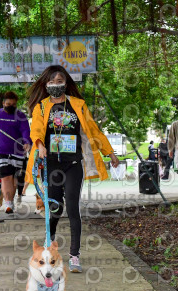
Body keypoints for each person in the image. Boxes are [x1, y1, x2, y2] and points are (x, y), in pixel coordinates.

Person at [25, 65, 119, 273]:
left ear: (66, 83)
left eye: (60, 81)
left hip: (74, 163)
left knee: (73, 208)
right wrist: (40, 145)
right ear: (45, 84)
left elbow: (94, 130)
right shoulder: (40, 107)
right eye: (52, 82)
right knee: (55, 209)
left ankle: (74, 256)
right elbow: (36, 130)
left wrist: (109, 152)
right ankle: (49, 252)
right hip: (51, 165)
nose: (56, 85)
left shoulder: (78, 105)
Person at [0, 91, 32, 214]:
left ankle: (10, 200)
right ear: (3, 103)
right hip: (0, 150)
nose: (10, 106)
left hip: (17, 151)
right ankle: (8, 203)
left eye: (13, 104)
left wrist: (27, 142)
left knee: (14, 178)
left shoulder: (21, 116)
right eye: (8, 103)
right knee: (6, 177)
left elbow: (26, 131)